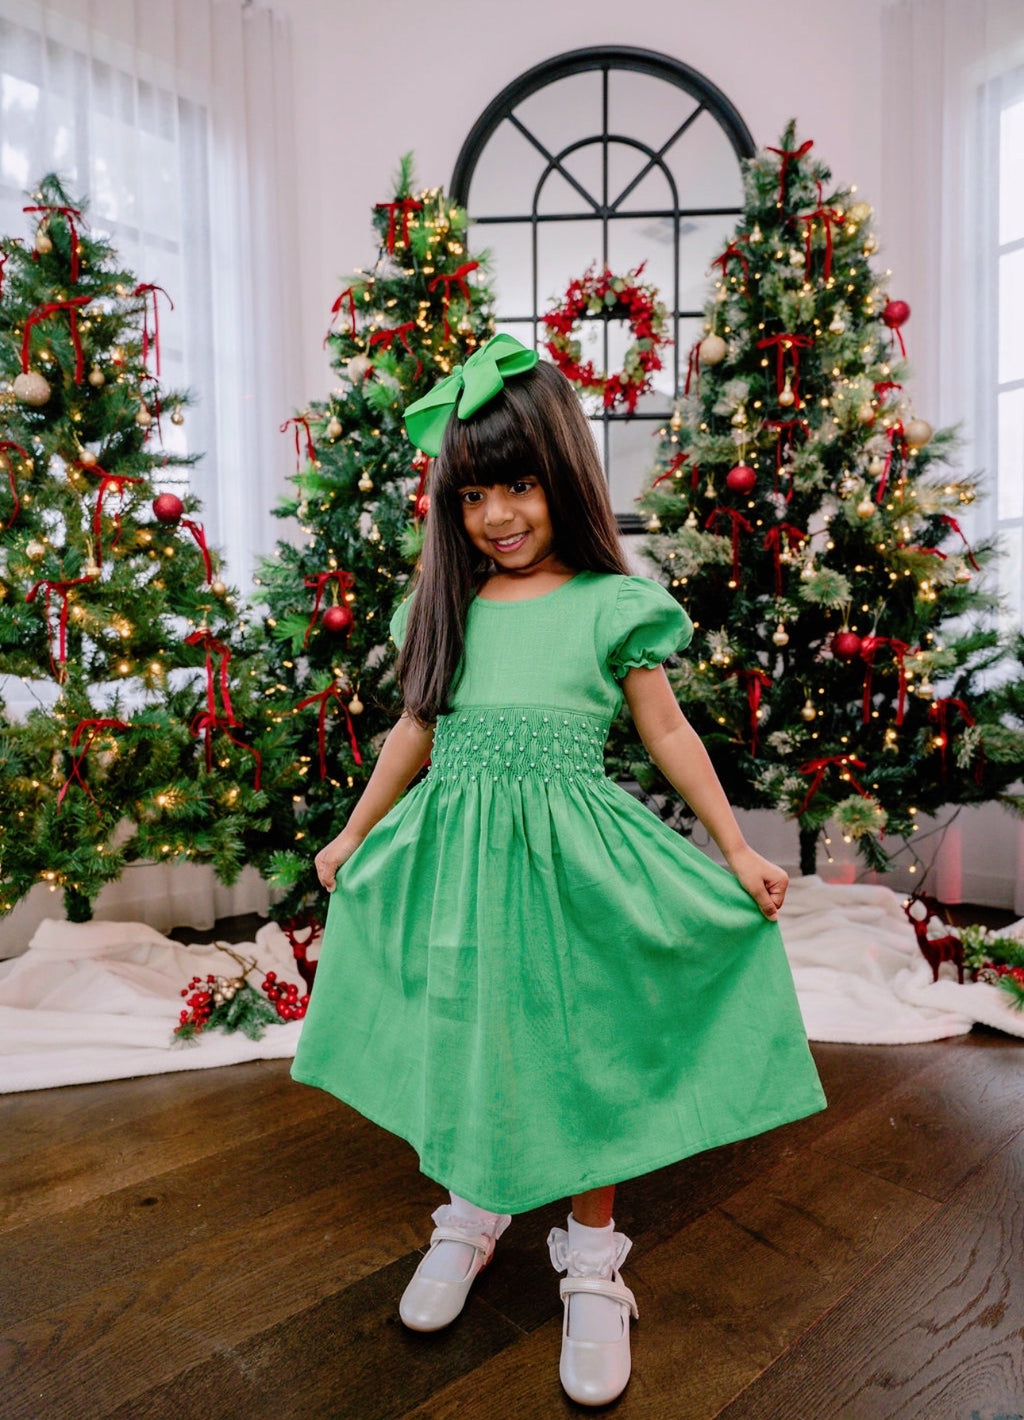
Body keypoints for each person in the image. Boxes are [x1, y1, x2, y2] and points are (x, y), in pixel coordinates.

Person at [291, 333, 826, 1407]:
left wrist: (732, 846)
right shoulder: (445, 608)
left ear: (562, 477)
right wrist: (354, 832)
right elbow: (414, 732)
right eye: (473, 492)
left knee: (579, 1046)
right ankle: (473, 1203)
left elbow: (668, 733)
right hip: (456, 867)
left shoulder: (605, 605)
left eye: (519, 484)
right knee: (469, 1025)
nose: (496, 514)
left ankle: (590, 1257)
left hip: (569, 864)